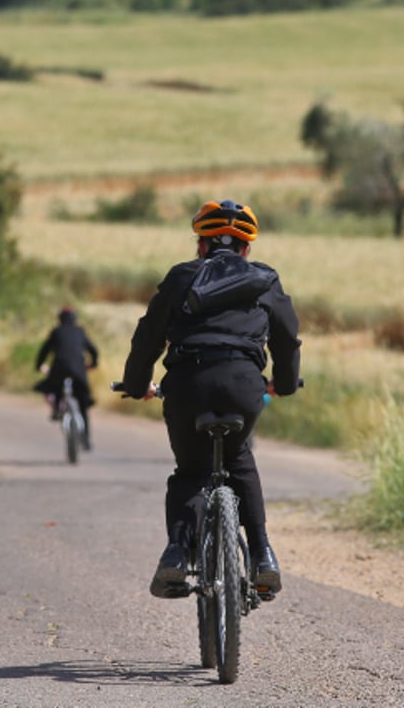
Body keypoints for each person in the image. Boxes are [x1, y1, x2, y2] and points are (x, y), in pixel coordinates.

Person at [121, 199, 300, 598]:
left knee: (189, 471)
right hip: (244, 384)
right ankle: (263, 555)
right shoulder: (265, 279)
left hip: (189, 383)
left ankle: (175, 555)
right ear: (246, 249)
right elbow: (287, 340)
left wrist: (136, 385)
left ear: (201, 244)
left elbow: (148, 337)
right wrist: (284, 384)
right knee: (239, 459)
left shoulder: (182, 276)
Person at [34, 306, 99, 445]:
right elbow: (93, 351)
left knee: (53, 386)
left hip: (59, 370)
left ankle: (57, 408)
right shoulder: (80, 332)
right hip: (79, 371)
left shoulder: (56, 332)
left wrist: (39, 365)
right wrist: (93, 364)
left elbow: (44, 351)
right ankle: (86, 441)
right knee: (82, 404)